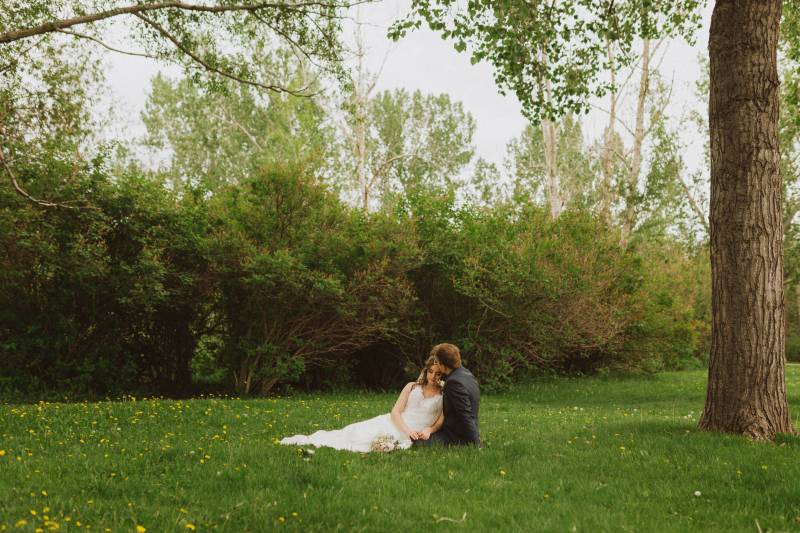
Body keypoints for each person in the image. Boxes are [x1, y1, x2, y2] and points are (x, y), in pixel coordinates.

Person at [280, 357, 444, 452]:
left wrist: (429, 429)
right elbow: (395, 412)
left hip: (416, 431)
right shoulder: (411, 386)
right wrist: (407, 430)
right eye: (430, 371)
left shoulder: (445, 395)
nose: (433, 376)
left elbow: (440, 420)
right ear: (425, 371)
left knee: (371, 442)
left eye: (437, 374)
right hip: (396, 422)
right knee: (355, 432)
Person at [413, 343, 481, 447]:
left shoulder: (454, 383)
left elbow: (465, 415)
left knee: (416, 442)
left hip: (456, 436)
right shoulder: (466, 373)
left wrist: (477, 444)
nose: (436, 364)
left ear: (442, 363)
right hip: (463, 431)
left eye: (437, 361)